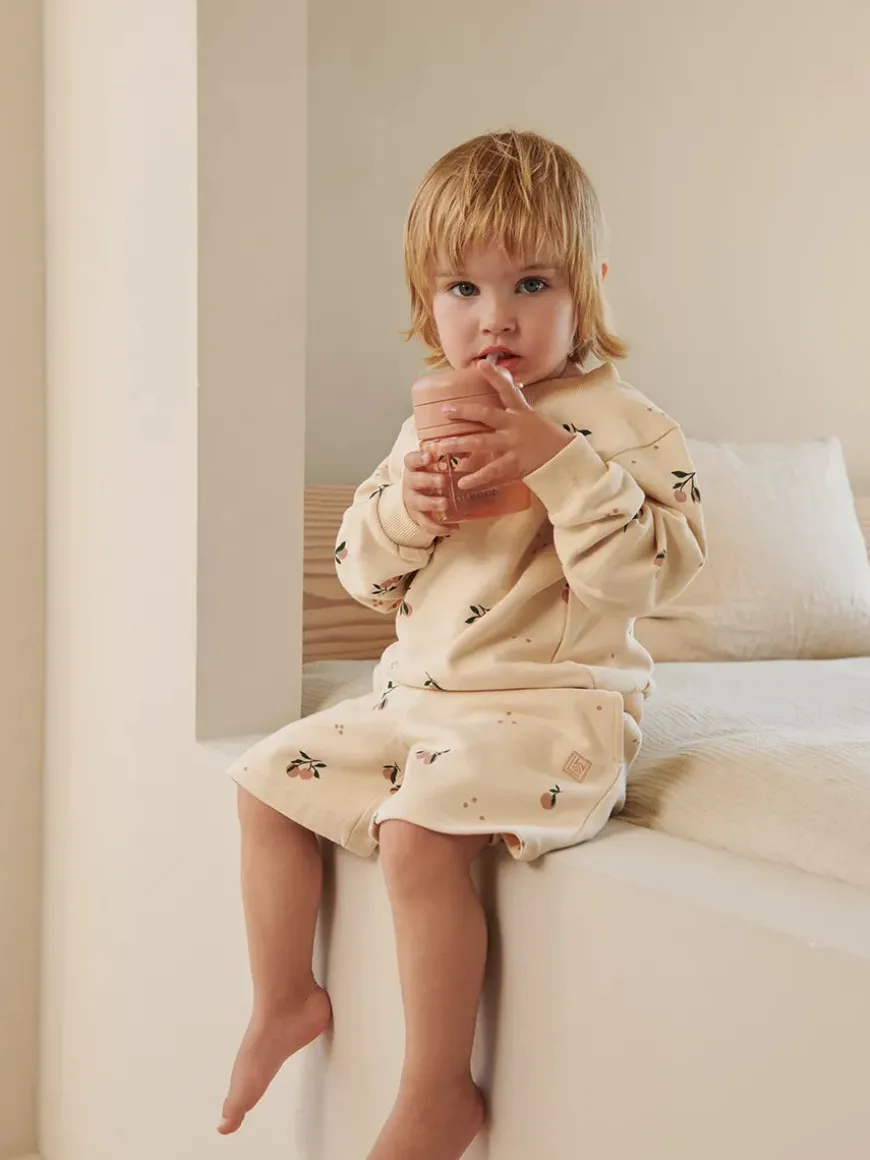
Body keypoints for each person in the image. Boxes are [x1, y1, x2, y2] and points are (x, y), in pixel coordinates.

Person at [219, 129, 706, 1158]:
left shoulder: (627, 425)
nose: (496, 318)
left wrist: (559, 463)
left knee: (417, 836)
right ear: (427, 303)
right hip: (420, 702)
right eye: (463, 289)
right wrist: (410, 508)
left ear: (588, 288)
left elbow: (651, 578)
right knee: (263, 781)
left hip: (551, 709)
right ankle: (283, 998)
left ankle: (438, 1088)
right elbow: (362, 573)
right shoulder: (428, 426)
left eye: (531, 283)